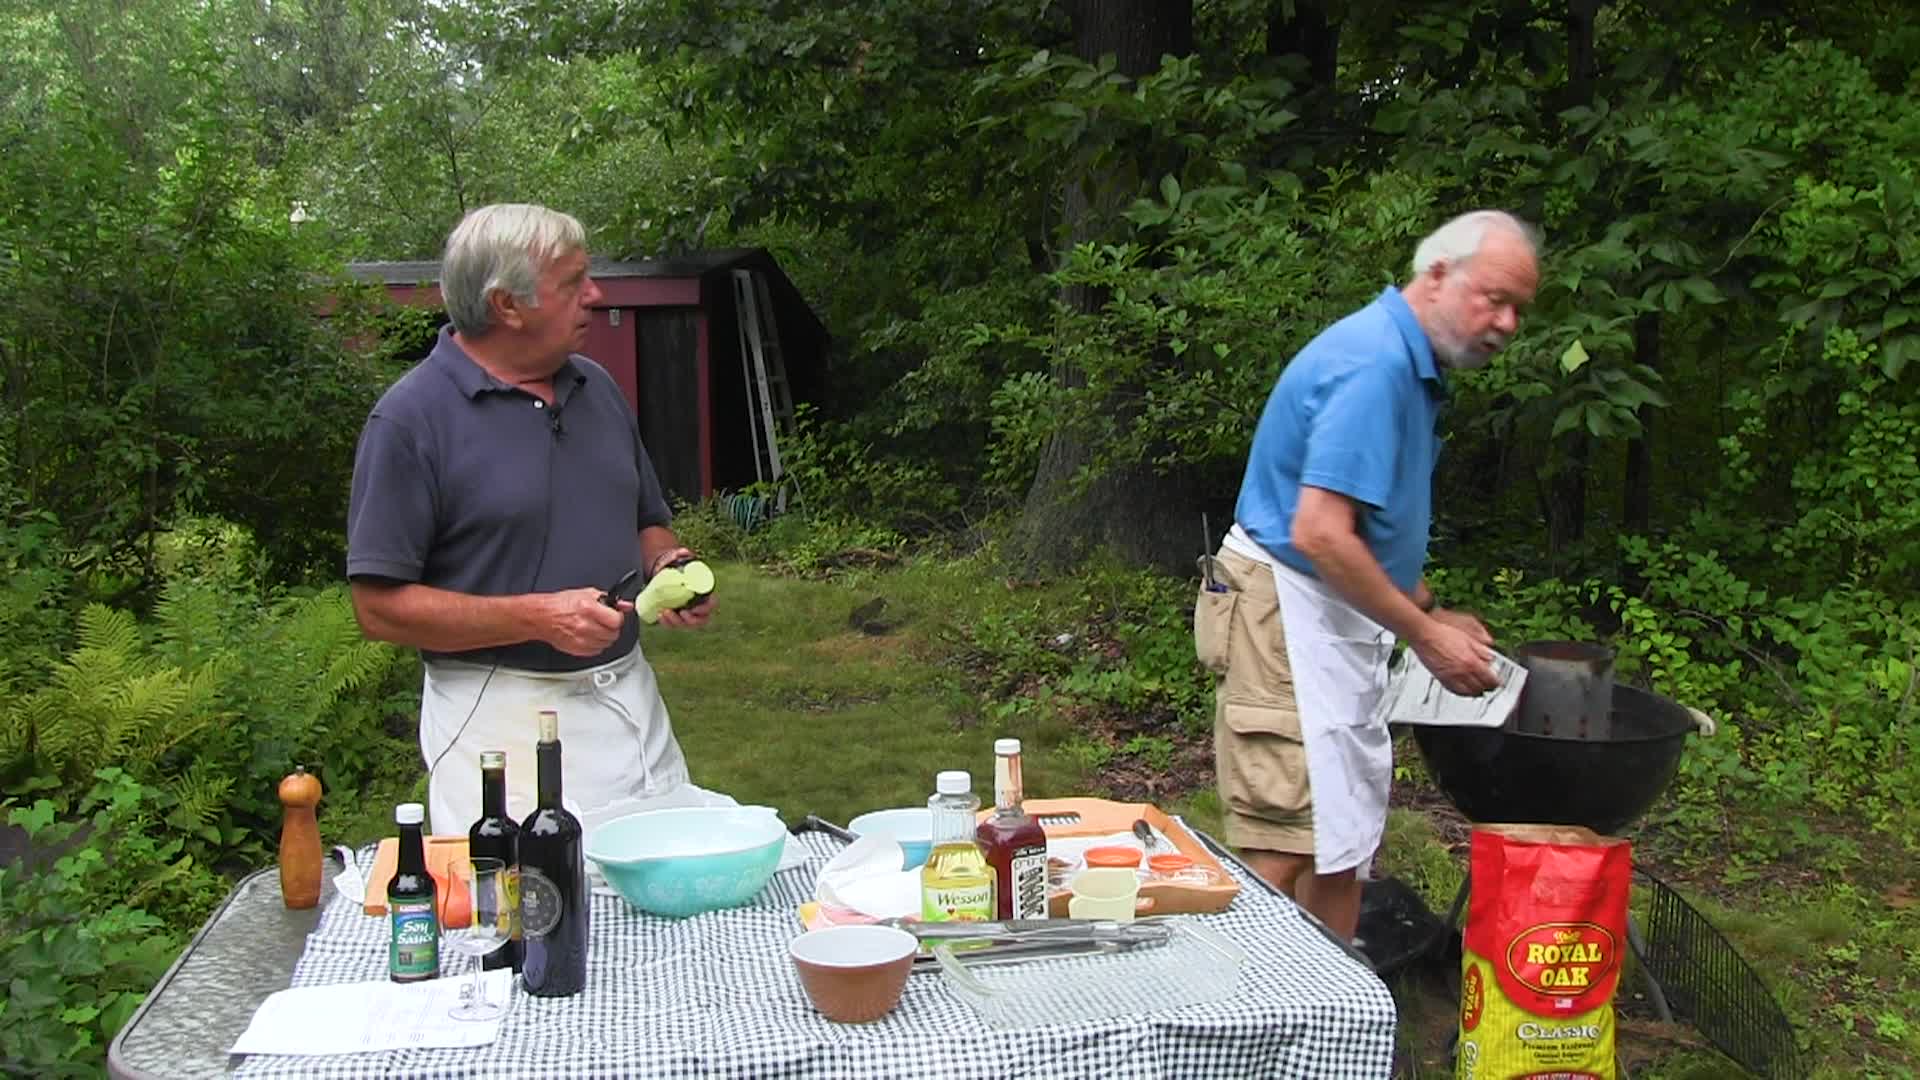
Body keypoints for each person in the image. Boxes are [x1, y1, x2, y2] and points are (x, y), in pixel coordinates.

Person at [1196, 209, 1538, 941]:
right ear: (1438, 275)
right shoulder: (1374, 364)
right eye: (1495, 298)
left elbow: (1361, 531)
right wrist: (1424, 635)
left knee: (1338, 833)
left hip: (1330, 611)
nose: (1507, 323)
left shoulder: (1410, 365)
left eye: (1519, 309)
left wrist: (1429, 609)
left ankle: (1331, 1012)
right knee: (1278, 839)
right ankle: (1238, 1023)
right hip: (1282, 612)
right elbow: (1317, 532)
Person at [347, 203, 716, 836]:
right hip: (501, 727)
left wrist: (666, 564)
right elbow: (378, 609)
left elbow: (647, 518)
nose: (594, 296)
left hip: (631, 710)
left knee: (666, 912)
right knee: (530, 922)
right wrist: (537, 617)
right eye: (573, 283)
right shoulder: (411, 421)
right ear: (506, 306)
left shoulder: (596, 388)